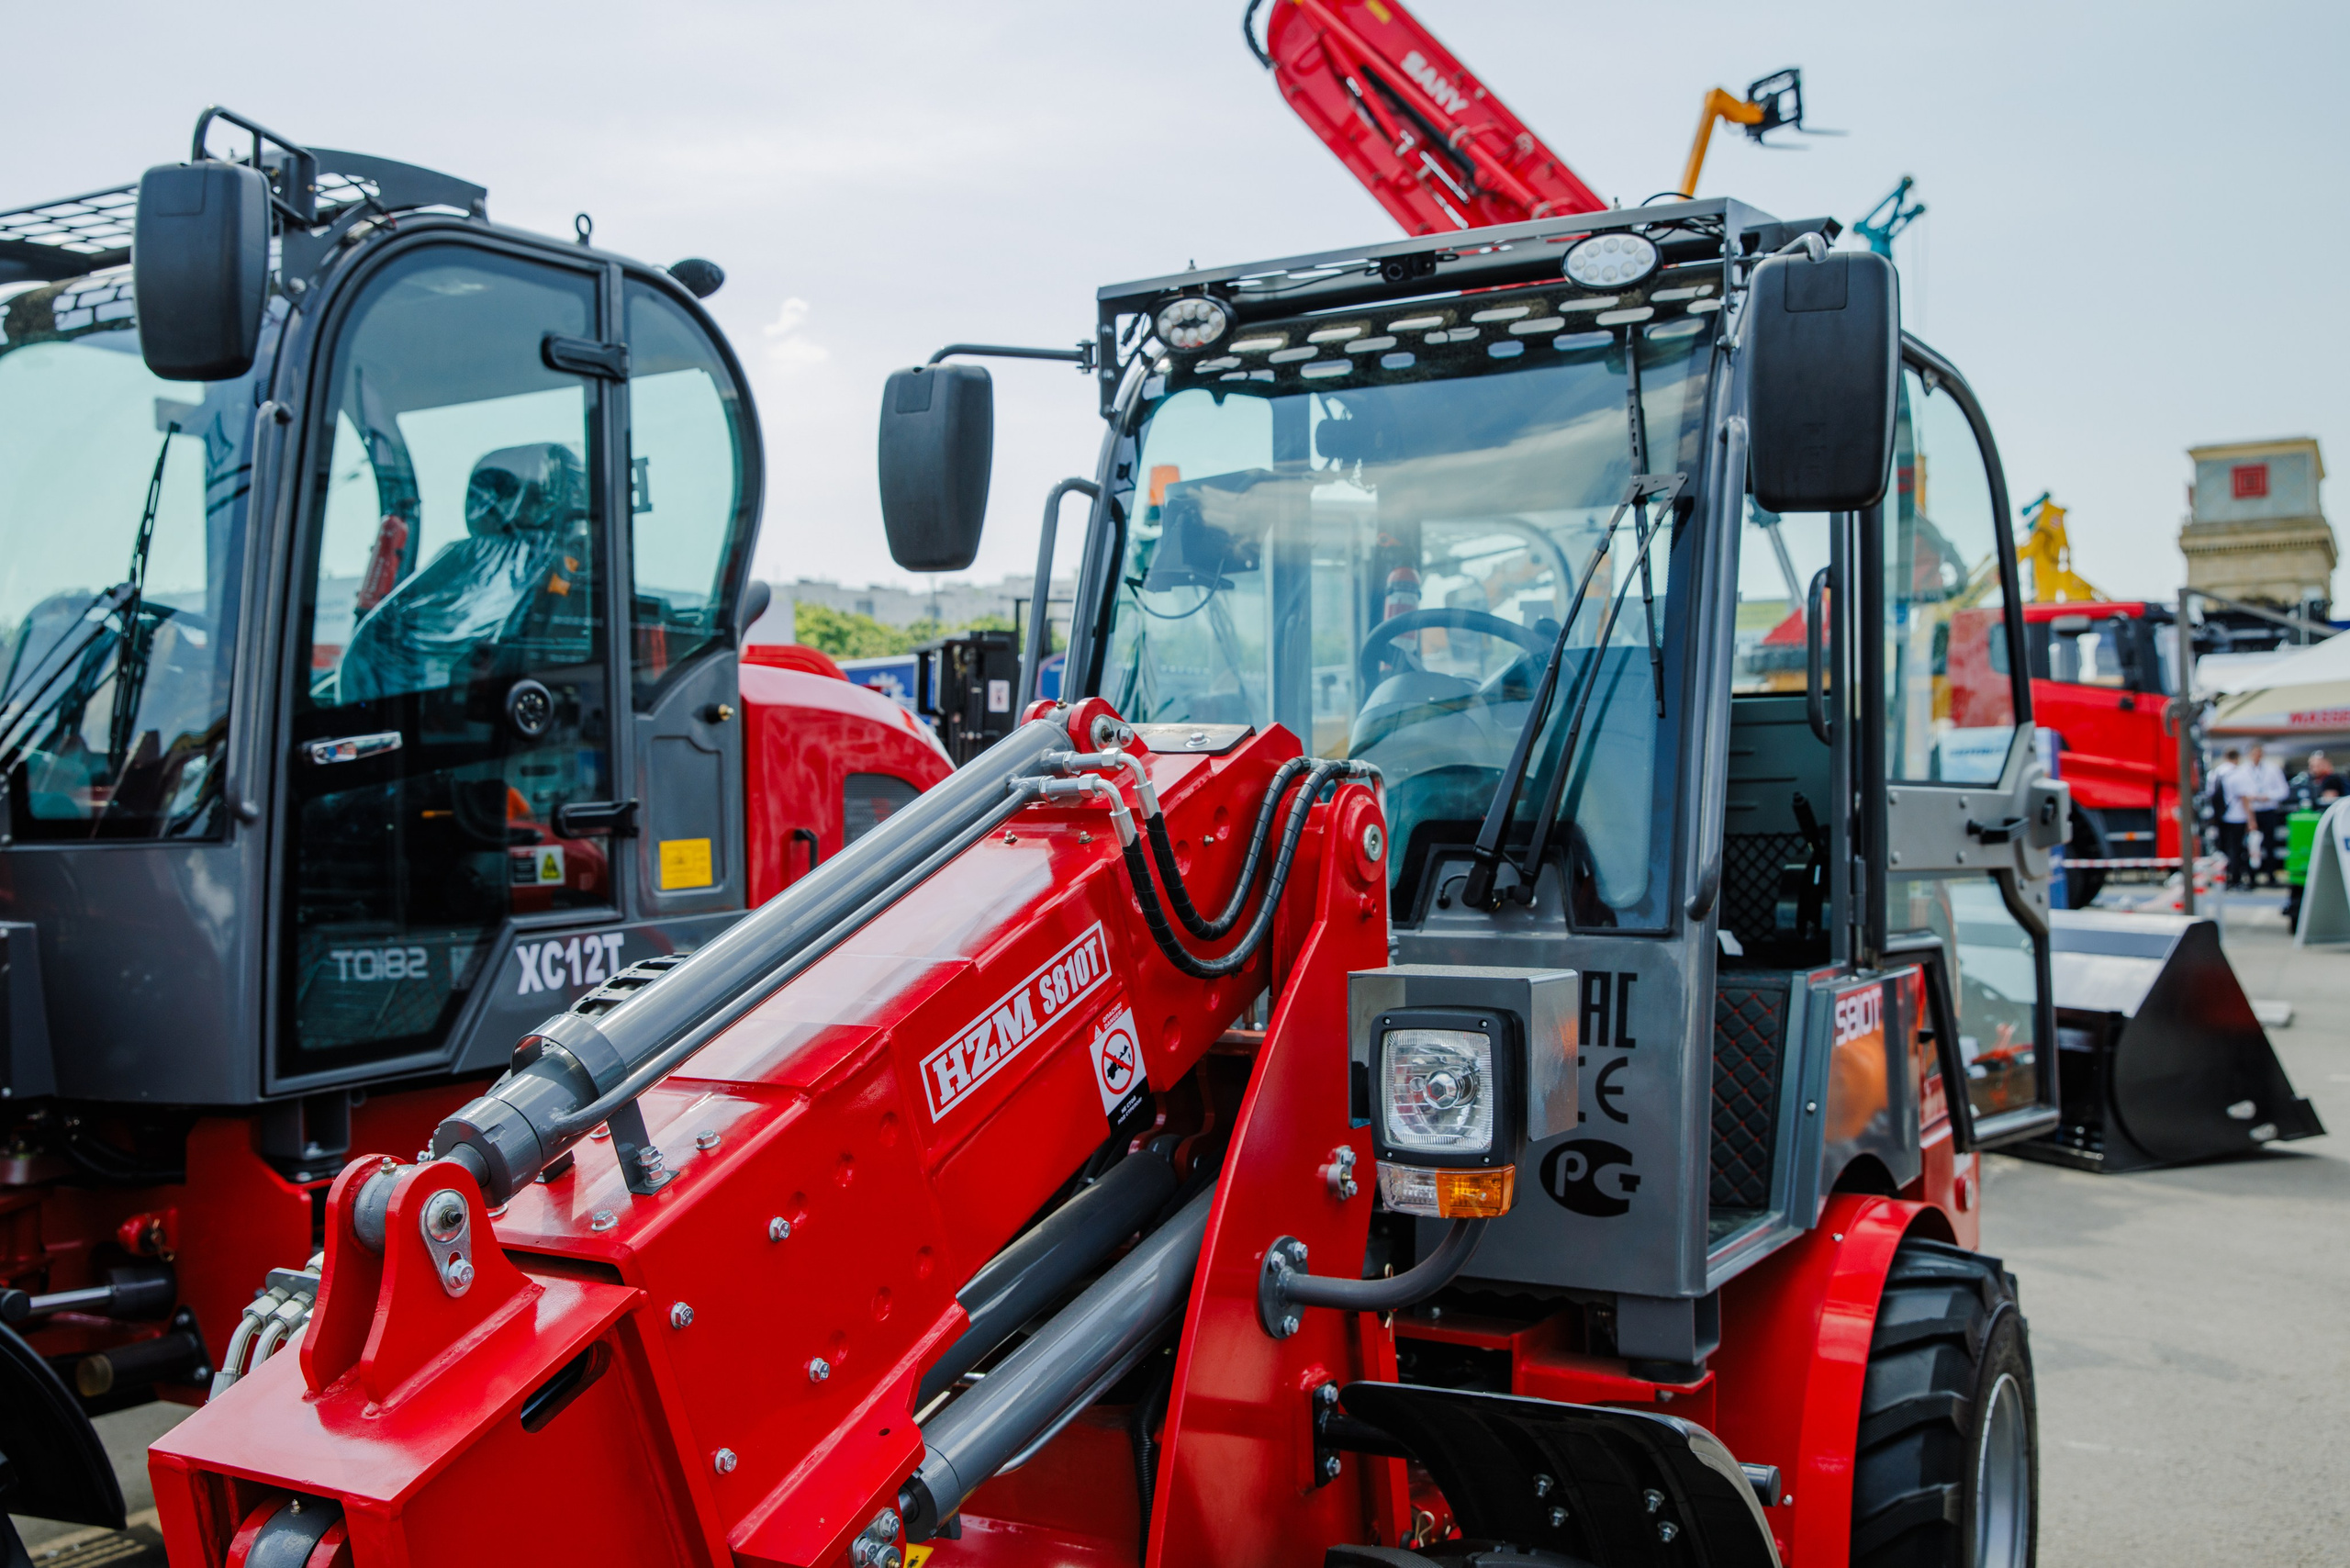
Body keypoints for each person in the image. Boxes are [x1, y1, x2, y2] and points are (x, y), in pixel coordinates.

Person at [2212, 746, 2254, 889]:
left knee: (2223, 848)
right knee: (2236, 849)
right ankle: (2235, 877)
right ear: (2237, 758)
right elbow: (2244, 798)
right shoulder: (2238, 774)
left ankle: (2223, 877)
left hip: (2220, 817)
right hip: (2237, 816)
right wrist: (2251, 820)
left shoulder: (2216, 773)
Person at [2250, 743, 2289, 887]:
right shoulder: (2244, 771)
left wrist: (2269, 796)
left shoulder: (2272, 769)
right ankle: (2252, 875)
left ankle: (2270, 875)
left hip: (2268, 810)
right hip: (2251, 812)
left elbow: (2283, 791)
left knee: (2270, 844)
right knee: (2252, 845)